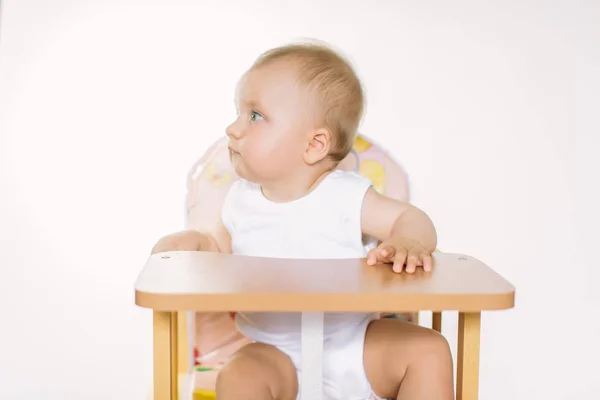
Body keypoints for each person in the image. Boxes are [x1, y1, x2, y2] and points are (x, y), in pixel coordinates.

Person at [151, 41, 453, 400]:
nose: (233, 128)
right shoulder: (239, 200)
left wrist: (410, 241)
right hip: (274, 352)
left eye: (255, 115)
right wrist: (189, 245)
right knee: (238, 377)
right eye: (238, 112)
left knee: (429, 350)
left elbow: (409, 217)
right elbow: (215, 247)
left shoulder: (347, 195)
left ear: (314, 145)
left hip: (354, 345)